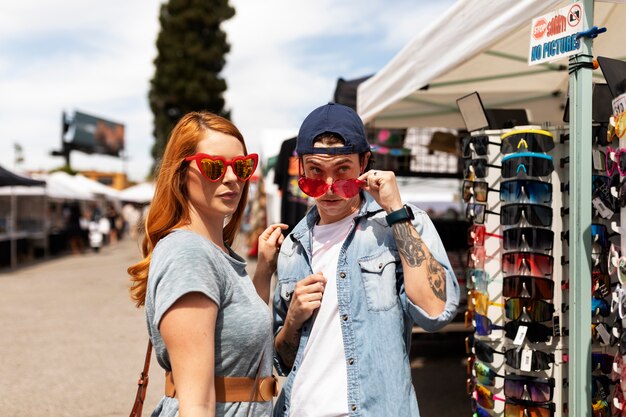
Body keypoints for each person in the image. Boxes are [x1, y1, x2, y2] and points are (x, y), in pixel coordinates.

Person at [272, 103, 460, 417]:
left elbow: (435, 312)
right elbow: (282, 362)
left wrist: (396, 212)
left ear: (365, 164)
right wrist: (293, 319)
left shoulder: (400, 224)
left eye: (343, 172)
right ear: (300, 169)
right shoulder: (292, 247)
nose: (329, 188)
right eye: (316, 174)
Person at [128, 111, 287, 417]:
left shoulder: (216, 252)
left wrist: (264, 271)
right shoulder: (189, 253)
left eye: (242, 166)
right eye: (214, 167)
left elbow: (235, 337)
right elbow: (196, 403)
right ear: (180, 171)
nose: (232, 178)